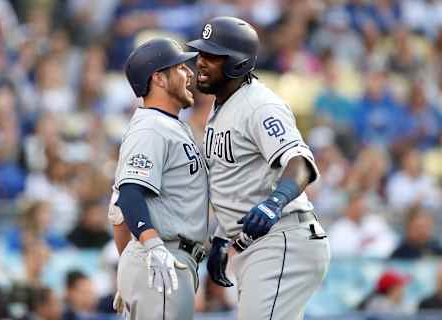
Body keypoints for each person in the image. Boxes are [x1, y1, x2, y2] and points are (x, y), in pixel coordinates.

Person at [187, 16, 331, 320]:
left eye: (212, 56)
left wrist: (275, 202)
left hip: (283, 239)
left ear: (238, 63)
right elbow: (238, 179)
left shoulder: (260, 105)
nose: (201, 61)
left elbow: (301, 164)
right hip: (262, 245)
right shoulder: (224, 103)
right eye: (201, 53)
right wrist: (222, 236)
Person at [107, 38, 209, 319]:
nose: (189, 73)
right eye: (180, 67)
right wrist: (150, 250)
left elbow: (117, 212)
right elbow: (128, 195)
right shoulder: (151, 128)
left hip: (161, 260)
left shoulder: (166, 125)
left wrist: (129, 265)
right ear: (159, 79)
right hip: (162, 258)